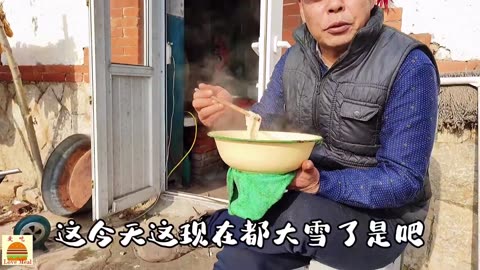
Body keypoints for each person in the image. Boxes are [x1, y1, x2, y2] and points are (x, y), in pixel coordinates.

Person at [134, 0, 439, 269]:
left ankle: (212, 226)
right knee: (244, 255)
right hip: (301, 201)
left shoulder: (408, 64)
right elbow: (265, 124)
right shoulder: (293, 61)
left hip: (379, 223)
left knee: (289, 213)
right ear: (303, 9)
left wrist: (322, 182)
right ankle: (218, 227)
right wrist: (229, 113)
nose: (334, 5)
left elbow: (403, 180)